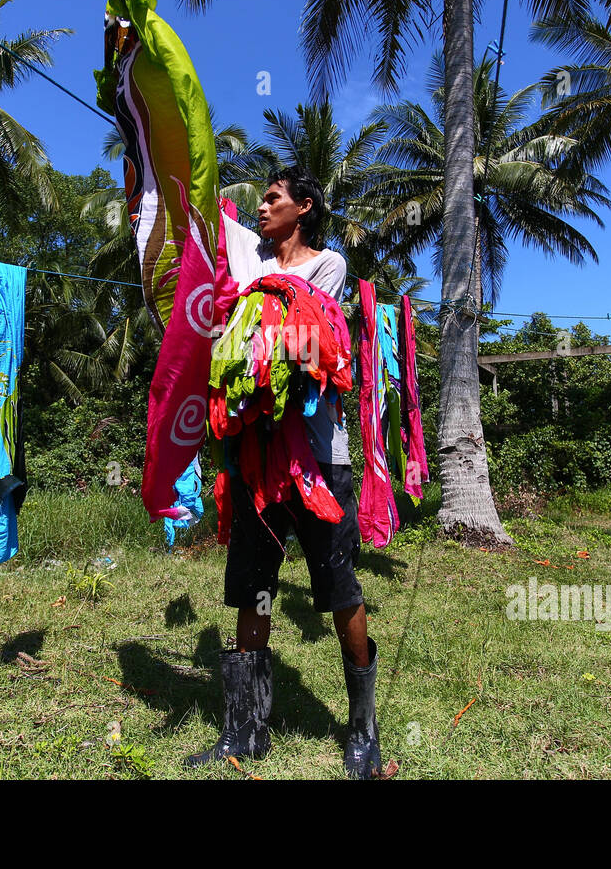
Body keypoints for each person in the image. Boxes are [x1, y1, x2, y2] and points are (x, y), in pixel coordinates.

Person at [185, 167, 380, 779]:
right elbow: (199, 216)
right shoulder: (248, 250)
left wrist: (247, 335)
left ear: (305, 207)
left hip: (319, 455)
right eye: (261, 201)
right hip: (254, 455)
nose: (262, 208)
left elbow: (303, 341)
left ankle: (364, 733)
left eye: (273, 199)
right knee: (253, 583)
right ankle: (246, 730)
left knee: (338, 586)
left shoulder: (327, 265)